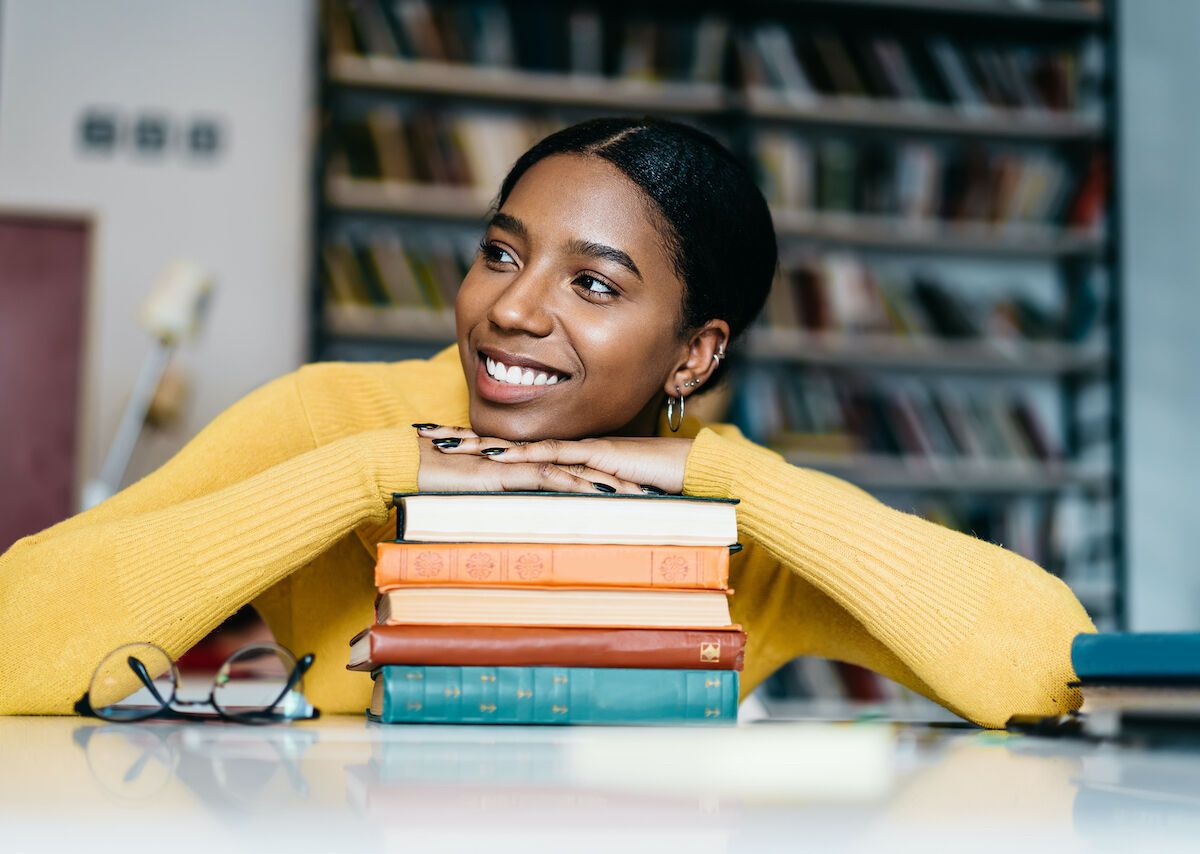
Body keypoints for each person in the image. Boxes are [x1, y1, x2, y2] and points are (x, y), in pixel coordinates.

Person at [0, 117, 1094, 726]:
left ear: (698, 350)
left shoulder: (737, 506)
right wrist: (371, 475)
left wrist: (734, 489)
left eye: (597, 285)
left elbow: (1059, 667)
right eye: (502, 252)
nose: (511, 308)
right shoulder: (336, 417)